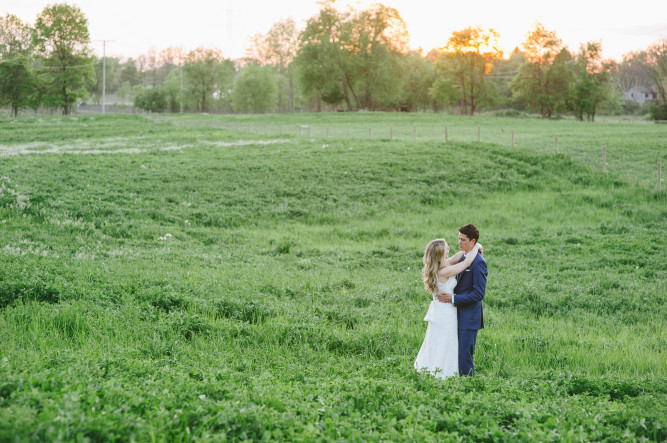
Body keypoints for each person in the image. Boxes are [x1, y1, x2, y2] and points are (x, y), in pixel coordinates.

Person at [414, 237, 483, 378]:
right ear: (440, 253)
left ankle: (436, 370)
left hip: (440, 310)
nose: (449, 249)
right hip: (446, 312)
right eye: (446, 248)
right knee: (446, 342)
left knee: (439, 340)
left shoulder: (439, 266)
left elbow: (458, 256)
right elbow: (466, 262)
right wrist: (476, 247)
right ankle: (443, 374)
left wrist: (473, 246)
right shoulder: (444, 271)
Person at [436, 224, 487, 376]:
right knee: (455, 354)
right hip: (455, 315)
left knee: (464, 356)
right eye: (458, 239)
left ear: (472, 241)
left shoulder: (478, 262)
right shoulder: (464, 256)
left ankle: (468, 387)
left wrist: (453, 298)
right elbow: (460, 259)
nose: (459, 243)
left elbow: (478, 294)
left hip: (469, 317)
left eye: (463, 240)